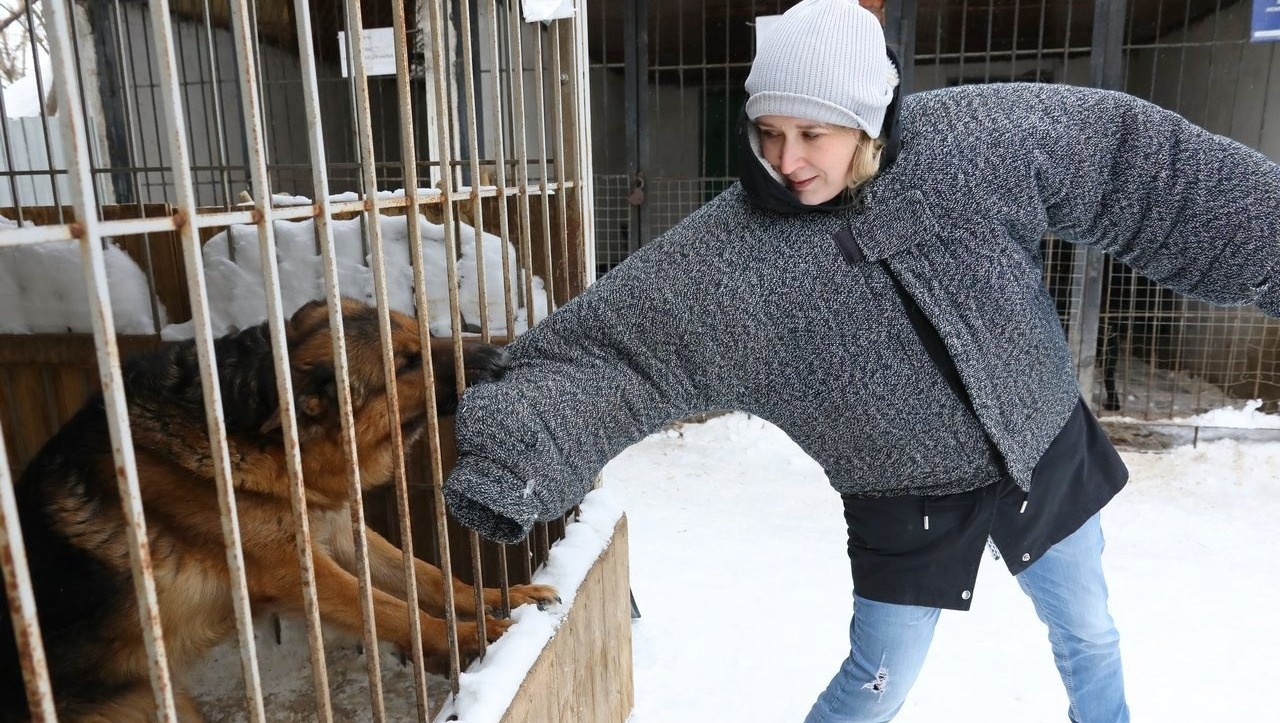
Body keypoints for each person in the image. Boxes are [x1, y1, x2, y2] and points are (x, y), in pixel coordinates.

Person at [441, 0, 1280, 720]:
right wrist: (515, 451)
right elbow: (613, 352)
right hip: (903, 504)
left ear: (869, 118)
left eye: (813, 132)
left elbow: (1148, 173)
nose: (787, 159)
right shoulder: (731, 257)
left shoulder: (975, 147)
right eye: (768, 132)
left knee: (1090, 632)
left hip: (1042, 451)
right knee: (874, 685)